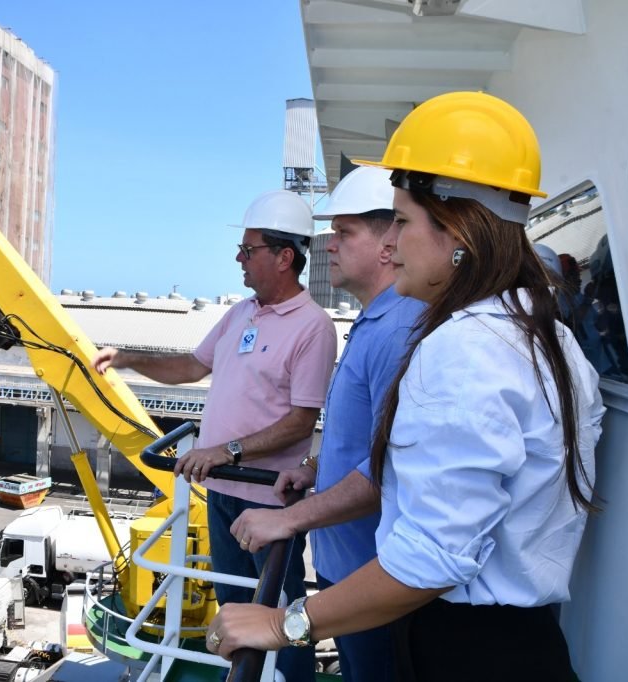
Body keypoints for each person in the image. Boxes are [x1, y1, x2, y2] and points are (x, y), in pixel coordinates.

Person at [208, 91, 605, 681]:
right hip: (522, 640)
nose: (390, 243)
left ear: (459, 231)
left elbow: (433, 558)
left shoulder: (466, 348)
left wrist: (283, 624)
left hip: (464, 650)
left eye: (401, 220)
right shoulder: (545, 333)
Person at [92, 189, 337, 682]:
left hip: (269, 501)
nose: (238, 259)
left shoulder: (314, 328)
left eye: (248, 250)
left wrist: (226, 451)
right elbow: (190, 366)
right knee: (233, 606)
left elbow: (301, 420)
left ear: (284, 257)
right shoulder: (241, 313)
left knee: (281, 611)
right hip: (222, 493)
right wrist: (127, 358)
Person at [237, 165, 424, 680]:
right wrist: (316, 467)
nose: (330, 245)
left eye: (344, 232)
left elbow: (391, 468)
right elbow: (369, 437)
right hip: (350, 568)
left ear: (388, 244)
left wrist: (290, 518)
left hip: (374, 580)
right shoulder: (375, 321)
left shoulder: (398, 331)